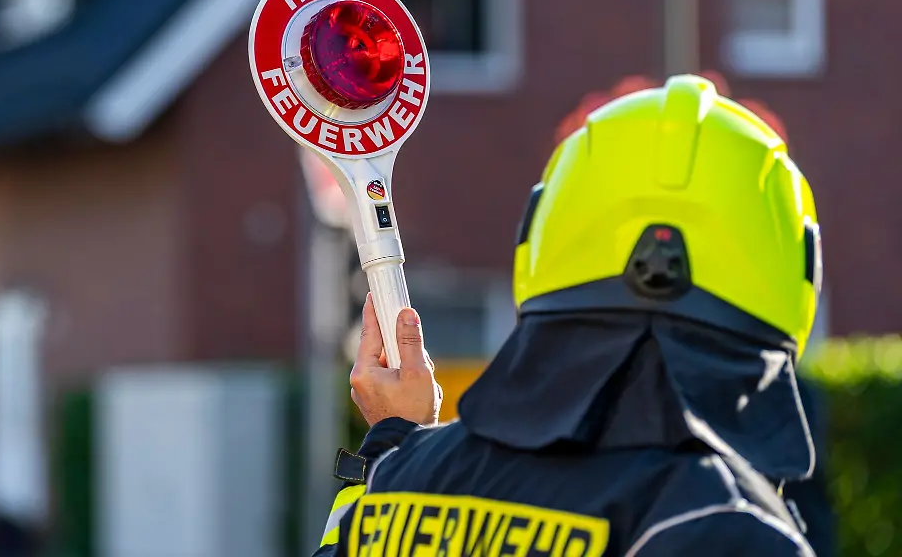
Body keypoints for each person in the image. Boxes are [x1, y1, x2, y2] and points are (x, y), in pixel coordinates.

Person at [313, 74, 822, 556]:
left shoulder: (405, 489)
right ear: (794, 264)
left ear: (542, 233)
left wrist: (393, 452)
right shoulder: (726, 527)